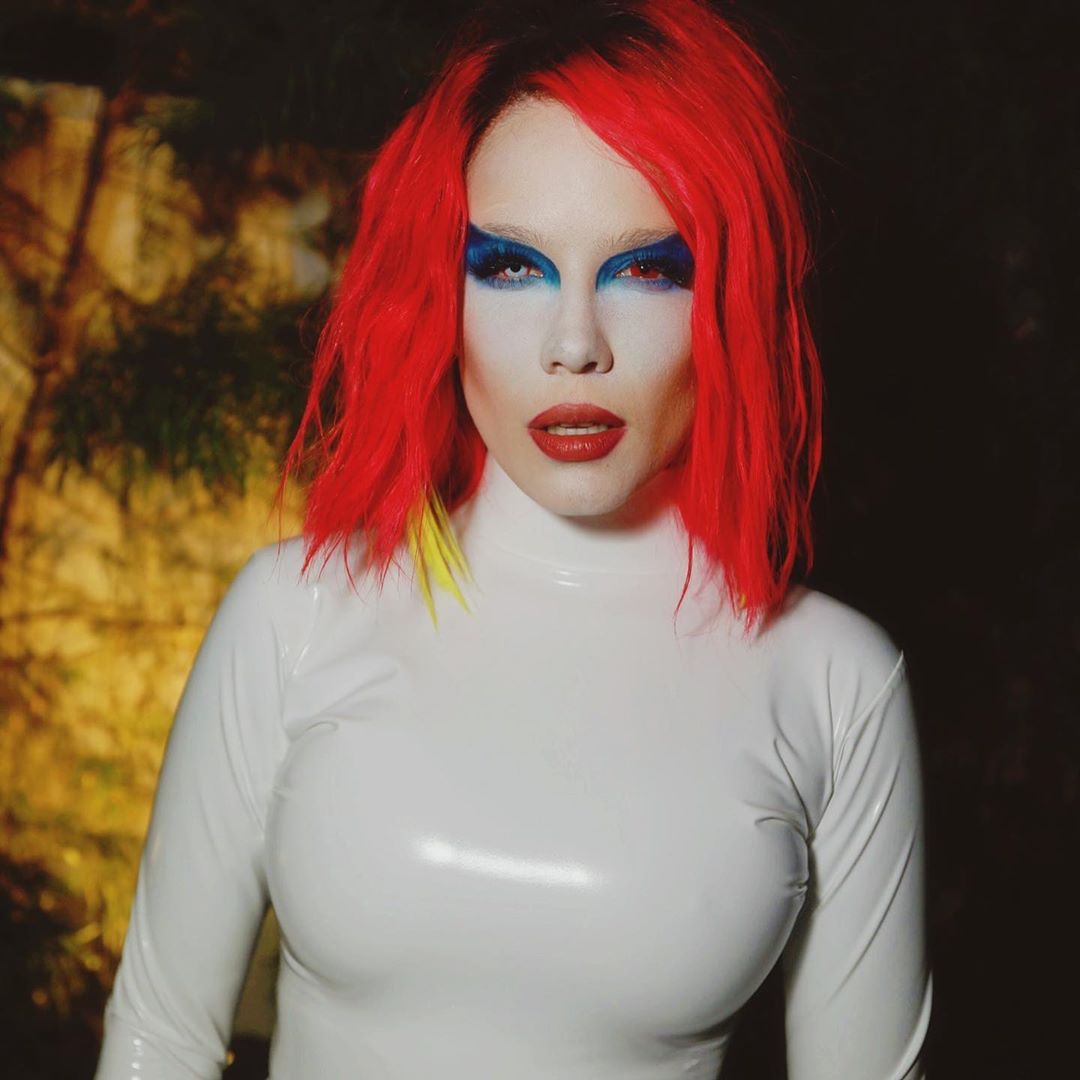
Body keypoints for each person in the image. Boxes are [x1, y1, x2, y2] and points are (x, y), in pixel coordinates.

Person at [94, 1, 933, 1077]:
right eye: (511, 267)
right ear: (434, 292)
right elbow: (159, 1038)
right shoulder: (293, 615)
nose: (573, 344)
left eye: (647, 269)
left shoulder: (833, 681)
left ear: (731, 296)